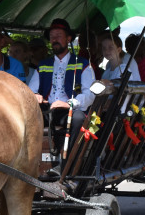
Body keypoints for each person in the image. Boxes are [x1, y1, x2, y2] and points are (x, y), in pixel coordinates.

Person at [28, 18, 96, 158]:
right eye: (52, 37)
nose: (55, 39)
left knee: (78, 119)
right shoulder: (43, 65)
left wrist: (68, 103)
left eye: (59, 35)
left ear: (68, 38)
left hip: (70, 110)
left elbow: (90, 94)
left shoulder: (83, 64)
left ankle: (67, 165)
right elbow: (30, 90)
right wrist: (34, 95)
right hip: (48, 111)